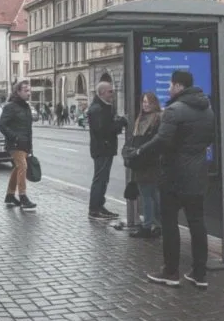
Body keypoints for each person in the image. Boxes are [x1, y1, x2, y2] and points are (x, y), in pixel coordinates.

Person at [133, 70, 215, 289]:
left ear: (179, 86)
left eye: (170, 85)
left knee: (170, 224)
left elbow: (162, 141)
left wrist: (140, 152)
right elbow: (209, 138)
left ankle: (170, 271)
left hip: (174, 175)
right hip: (198, 174)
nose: (168, 89)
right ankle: (200, 273)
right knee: (197, 223)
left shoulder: (174, 110)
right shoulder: (207, 109)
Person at [87, 81, 127, 220]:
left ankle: (99, 206)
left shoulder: (103, 107)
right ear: (102, 92)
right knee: (100, 179)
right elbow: (103, 130)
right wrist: (120, 123)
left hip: (105, 148)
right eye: (110, 91)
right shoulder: (98, 109)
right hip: (102, 148)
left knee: (103, 179)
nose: (113, 94)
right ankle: (94, 209)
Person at [0, 80, 36, 211]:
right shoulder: (10, 107)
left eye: (29, 90)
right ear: (18, 91)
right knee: (22, 167)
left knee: (17, 168)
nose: (28, 93)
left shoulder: (26, 107)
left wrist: (30, 146)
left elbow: (28, 129)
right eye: (26, 90)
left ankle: (9, 195)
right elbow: (2, 125)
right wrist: (14, 137)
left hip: (24, 144)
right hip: (14, 144)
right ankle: (23, 196)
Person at [129, 92, 162, 238]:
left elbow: (153, 141)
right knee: (152, 194)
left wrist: (140, 151)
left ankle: (148, 225)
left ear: (154, 103)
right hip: (142, 161)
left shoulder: (157, 119)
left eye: (148, 102)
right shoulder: (140, 118)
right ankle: (158, 224)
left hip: (149, 161)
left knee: (147, 194)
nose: (145, 105)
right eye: (143, 102)